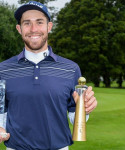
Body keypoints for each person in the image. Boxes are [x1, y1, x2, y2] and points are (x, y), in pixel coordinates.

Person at [0, 1, 97, 150]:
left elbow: (74, 117)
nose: (33, 29)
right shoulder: (3, 69)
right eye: (27, 23)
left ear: (49, 27)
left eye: (39, 22)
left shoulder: (71, 68)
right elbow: (2, 110)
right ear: (19, 29)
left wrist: (84, 108)